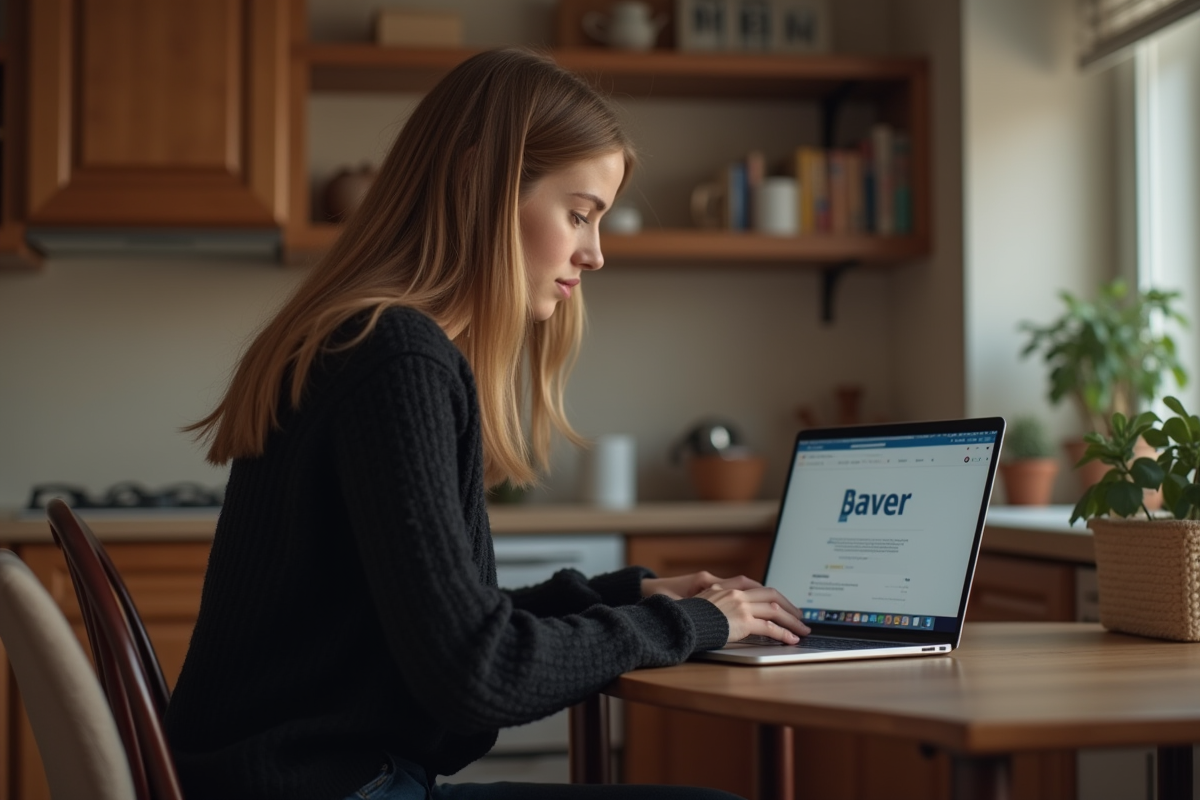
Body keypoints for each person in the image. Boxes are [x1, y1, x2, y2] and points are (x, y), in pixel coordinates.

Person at [165, 47, 808, 800]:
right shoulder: (396, 356)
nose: (595, 254)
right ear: (481, 184)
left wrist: (628, 596)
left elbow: (445, 634)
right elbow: (479, 672)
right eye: (578, 215)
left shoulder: (365, 340)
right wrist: (691, 623)